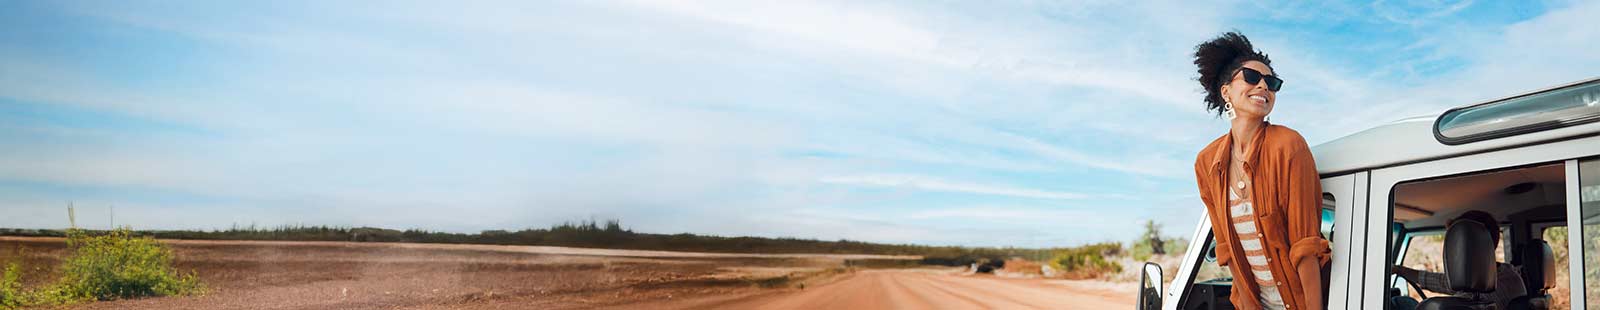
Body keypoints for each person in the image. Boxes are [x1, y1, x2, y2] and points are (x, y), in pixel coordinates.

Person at [1191, 32, 1330, 310]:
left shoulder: (1288, 145)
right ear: (1226, 91)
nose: (1264, 85)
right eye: (1252, 77)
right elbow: (1228, 251)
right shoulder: (1207, 162)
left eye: (1272, 82)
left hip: (1299, 303)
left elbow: (1306, 246)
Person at [1390, 210, 1527, 310]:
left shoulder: (1480, 298)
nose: (1449, 254)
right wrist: (1399, 269)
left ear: (1467, 249)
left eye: (1454, 245)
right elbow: (1442, 282)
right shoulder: (1505, 274)